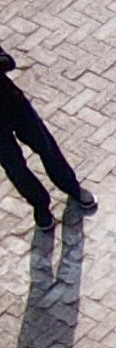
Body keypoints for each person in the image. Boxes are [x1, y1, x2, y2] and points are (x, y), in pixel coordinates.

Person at [1, 47, 96, 233]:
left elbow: (8, 61)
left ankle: (71, 187)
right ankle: (40, 206)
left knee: (46, 147)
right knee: (15, 167)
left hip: (14, 106)